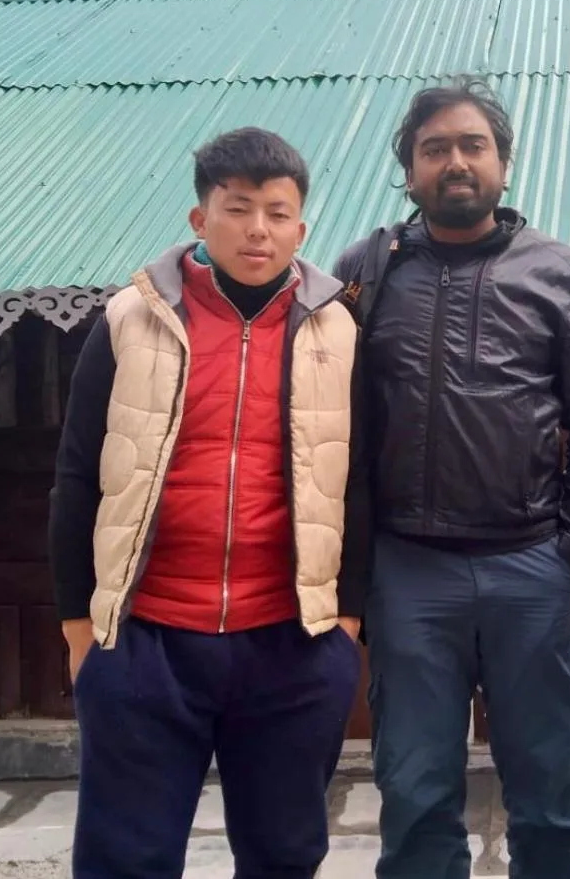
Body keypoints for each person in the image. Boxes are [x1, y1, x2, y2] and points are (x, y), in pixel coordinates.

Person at [47, 127, 368, 879]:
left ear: (302, 227)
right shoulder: (132, 319)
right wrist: (79, 631)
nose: (258, 229)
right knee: (125, 859)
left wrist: (343, 627)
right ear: (201, 219)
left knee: (284, 856)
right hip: (145, 637)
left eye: (277, 213)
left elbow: (361, 485)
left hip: (291, 641)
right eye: (238, 208)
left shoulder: (338, 330)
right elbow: (75, 476)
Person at [334, 78, 570, 879]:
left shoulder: (557, 271)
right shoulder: (364, 270)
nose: (454, 162)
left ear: (502, 161)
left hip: (529, 566)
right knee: (415, 787)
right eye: (434, 149)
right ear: (408, 168)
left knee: (551, 789)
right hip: (408, 572)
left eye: (472, 145)